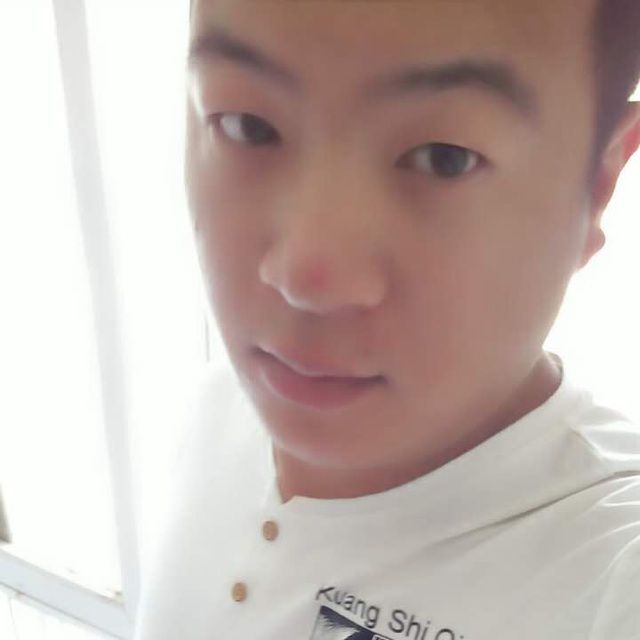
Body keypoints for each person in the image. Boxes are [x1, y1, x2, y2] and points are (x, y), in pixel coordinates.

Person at [133, 0, 640, 638]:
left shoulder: (612, 577)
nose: (305, 279)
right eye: (248, 126)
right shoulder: (214, 409)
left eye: (443, 157)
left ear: (599, 182)